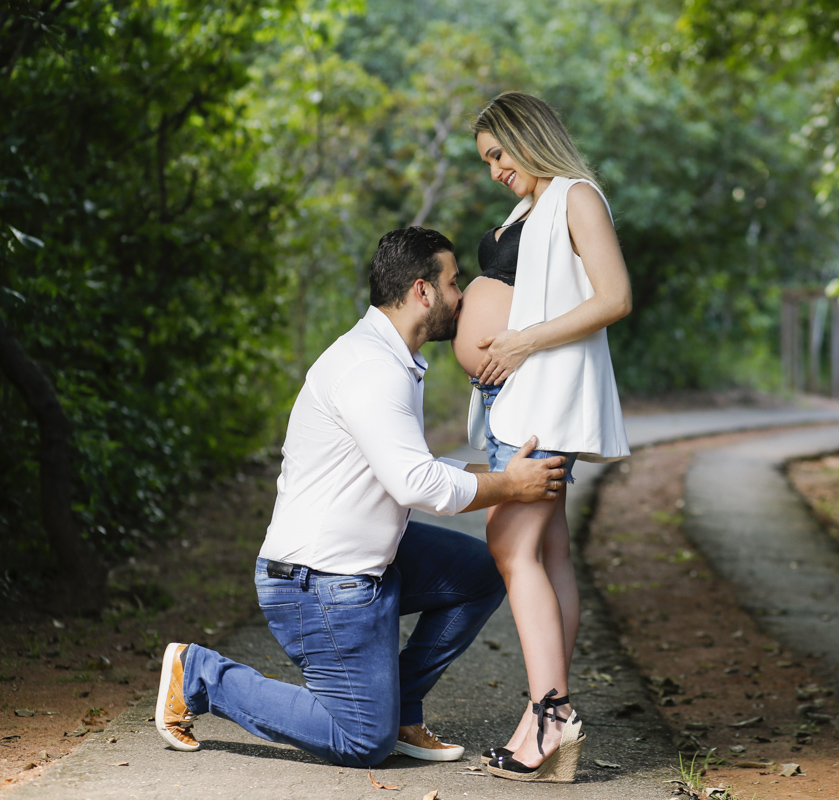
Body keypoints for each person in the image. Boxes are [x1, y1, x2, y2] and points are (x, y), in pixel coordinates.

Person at [153, 226, 567, 768]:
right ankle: (202, 674)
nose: (462, 296)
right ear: (423, 291)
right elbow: (417, 485)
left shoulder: (389, 358)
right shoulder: (371, 368)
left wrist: (494, 471)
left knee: (480, 571)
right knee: (359, 741)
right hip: (316, 585)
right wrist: (510, 484)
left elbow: (410, 465)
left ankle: (399, 709)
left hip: (368, 561)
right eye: (453, 281)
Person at [451, 91, 632, 783]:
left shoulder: (576, 195)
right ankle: (540, 717)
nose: (494, 169)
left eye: (498, 153)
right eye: (486, 160)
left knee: (508, 541)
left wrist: (522, 340)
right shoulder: (527, 206)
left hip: (545, 399)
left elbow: (613, 297)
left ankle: (552, 712)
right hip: (510, 399)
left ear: (530, 137)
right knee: (548, 547)